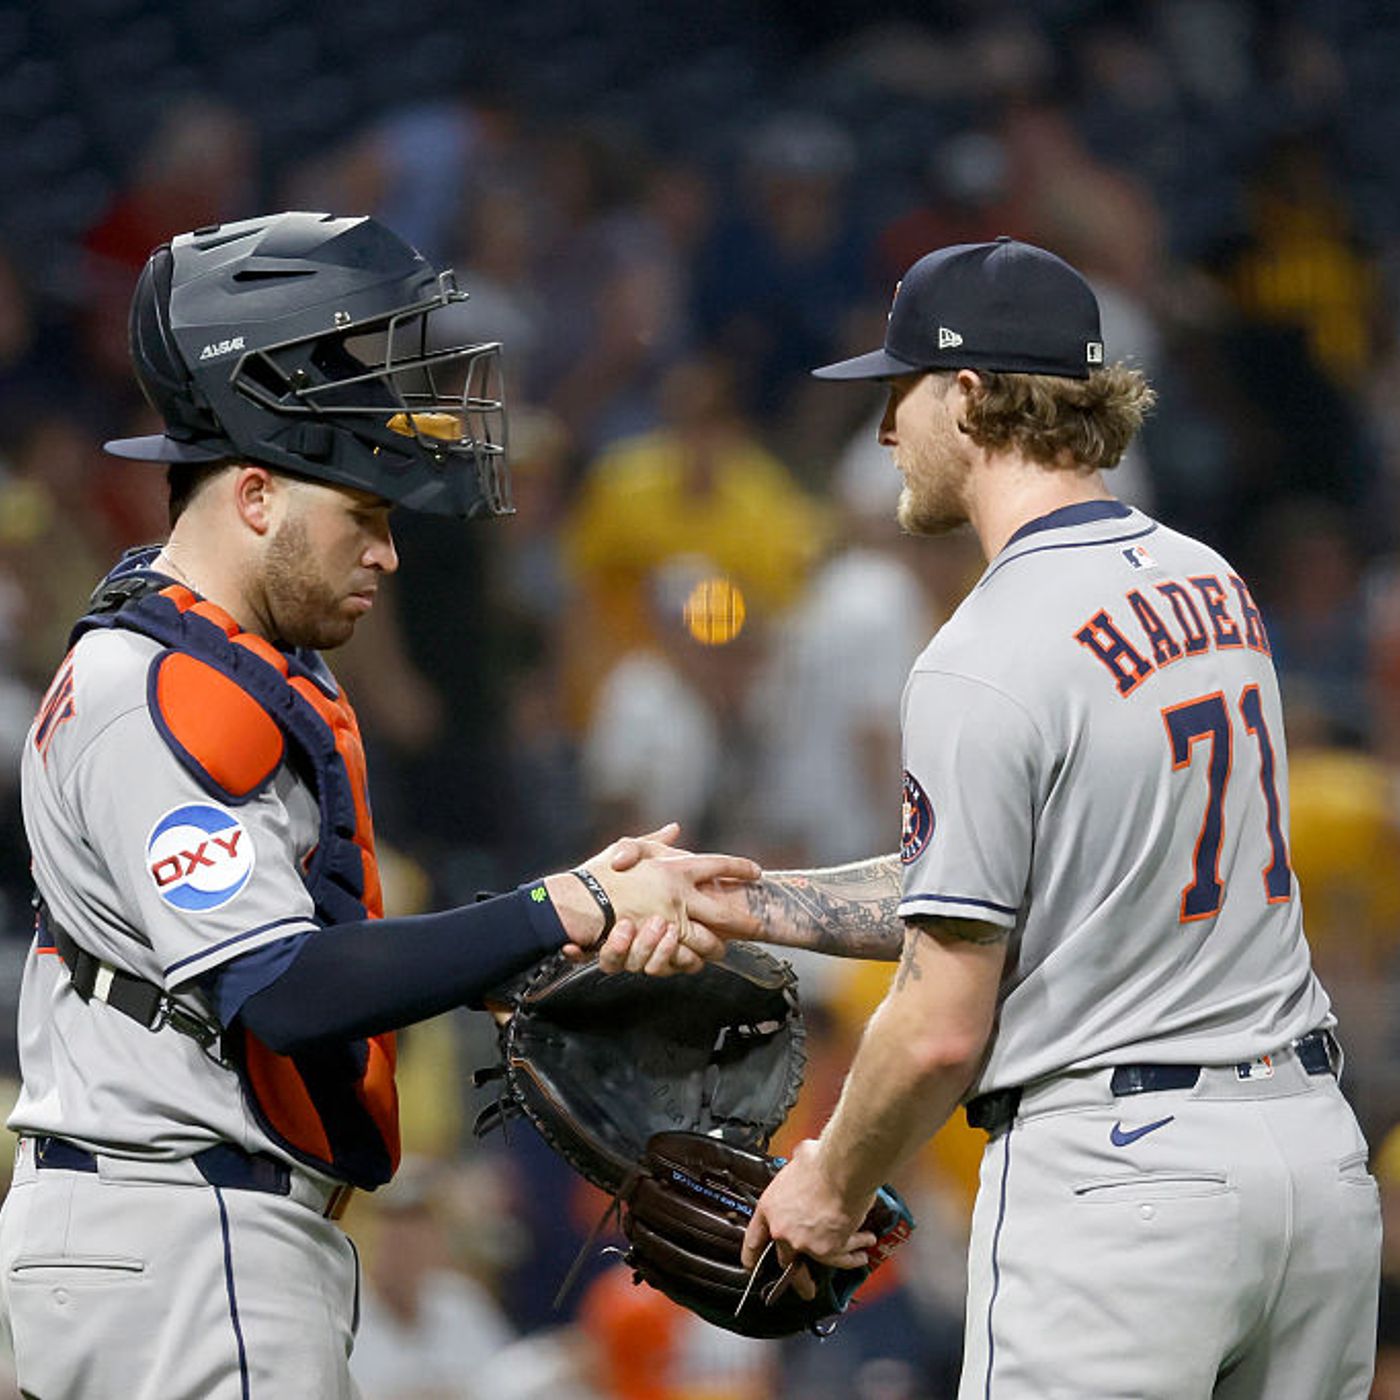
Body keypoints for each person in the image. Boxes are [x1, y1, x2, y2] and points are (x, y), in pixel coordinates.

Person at [0, 211, 758, 1400]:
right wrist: (559, 906)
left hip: (163, 1231)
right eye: (362, 516)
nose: (387, 555)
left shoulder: (205, 658)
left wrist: (581, 921)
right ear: (253, 494)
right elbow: (285, 990)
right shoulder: (163, 688)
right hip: (189, 1239)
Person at [619, 237, 1382, 1397]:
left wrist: (823, 1184)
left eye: (898, 391)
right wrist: (752, 901)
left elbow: (937, 1020)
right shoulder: (1209, 580)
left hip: (1125, 1192)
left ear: (968, 393)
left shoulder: (982, 652)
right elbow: (1024, 883)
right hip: (1310, 1160)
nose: (883, 433)